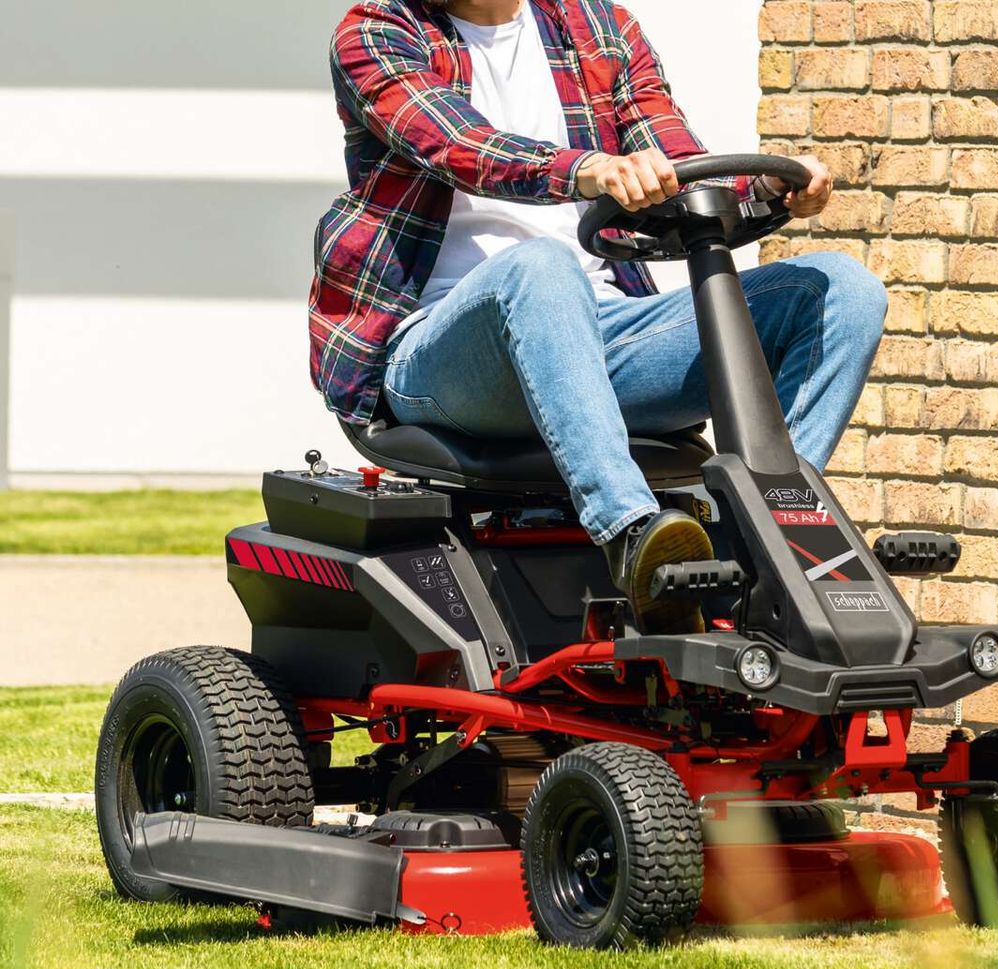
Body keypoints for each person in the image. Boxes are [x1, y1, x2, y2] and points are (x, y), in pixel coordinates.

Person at [310, 0, 889, 633]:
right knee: (541, 266)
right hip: (438, 356)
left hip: (597, 335)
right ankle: (634, 536)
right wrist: (590, 169)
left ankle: (765, 541)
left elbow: (670, 157)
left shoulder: (598, 27)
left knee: (842, 289)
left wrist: (766, 190)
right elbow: (460, 145)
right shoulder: (378, 30)